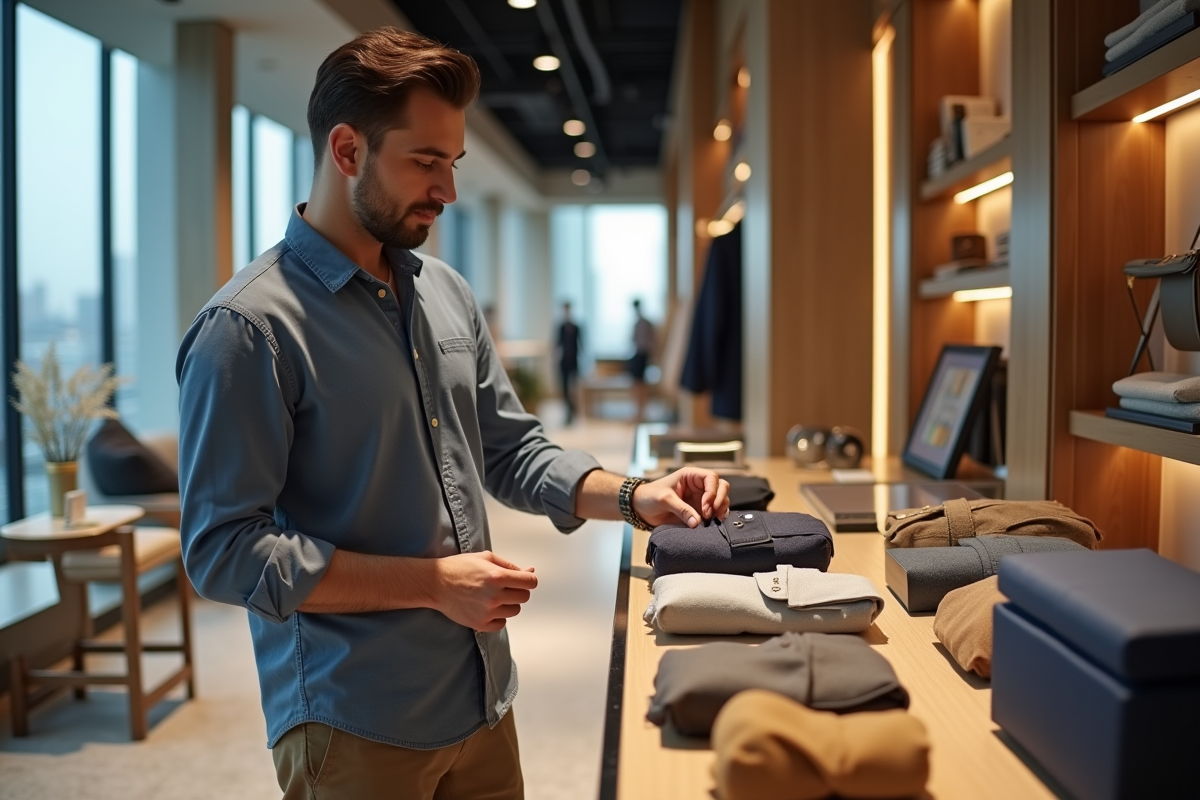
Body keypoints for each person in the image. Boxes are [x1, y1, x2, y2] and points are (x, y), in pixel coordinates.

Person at [175, 28, 729, 800]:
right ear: (346, 151)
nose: (448, 190)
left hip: (479, 694)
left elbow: (510, 450)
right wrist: (432, 583)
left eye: (453, 163)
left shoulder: (445, 292)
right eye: (425, 162)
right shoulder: (248, 329)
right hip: (353, 722)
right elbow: (225, 551)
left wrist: (637, 496)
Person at [556, 301, 582, 424]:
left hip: (574, 361)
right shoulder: (560, 327)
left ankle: (574, 410)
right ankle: (568, 411)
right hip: (563, 361)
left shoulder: (576, 327)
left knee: (574, 388)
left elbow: (581, 345)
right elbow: (557, 344)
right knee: (565, 388)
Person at [630, 298, 655, 421]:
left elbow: (652, 341)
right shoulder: (636, 324)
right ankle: (638, 411)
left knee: (642, 383)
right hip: (637, 354)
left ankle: (643, 411)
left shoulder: (646, 323)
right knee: (637, 383)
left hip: (644, 354)